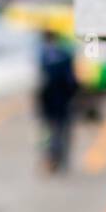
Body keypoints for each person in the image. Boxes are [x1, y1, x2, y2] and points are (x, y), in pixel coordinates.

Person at [36, 28, 78, 172]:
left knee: (49, 132)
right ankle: (62, 161)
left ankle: (51, 159)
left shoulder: (43, 56)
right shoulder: (66, 55)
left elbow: (41, 82)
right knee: (63, 132)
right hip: (64, 100)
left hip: (48, 102)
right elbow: (72, 81)